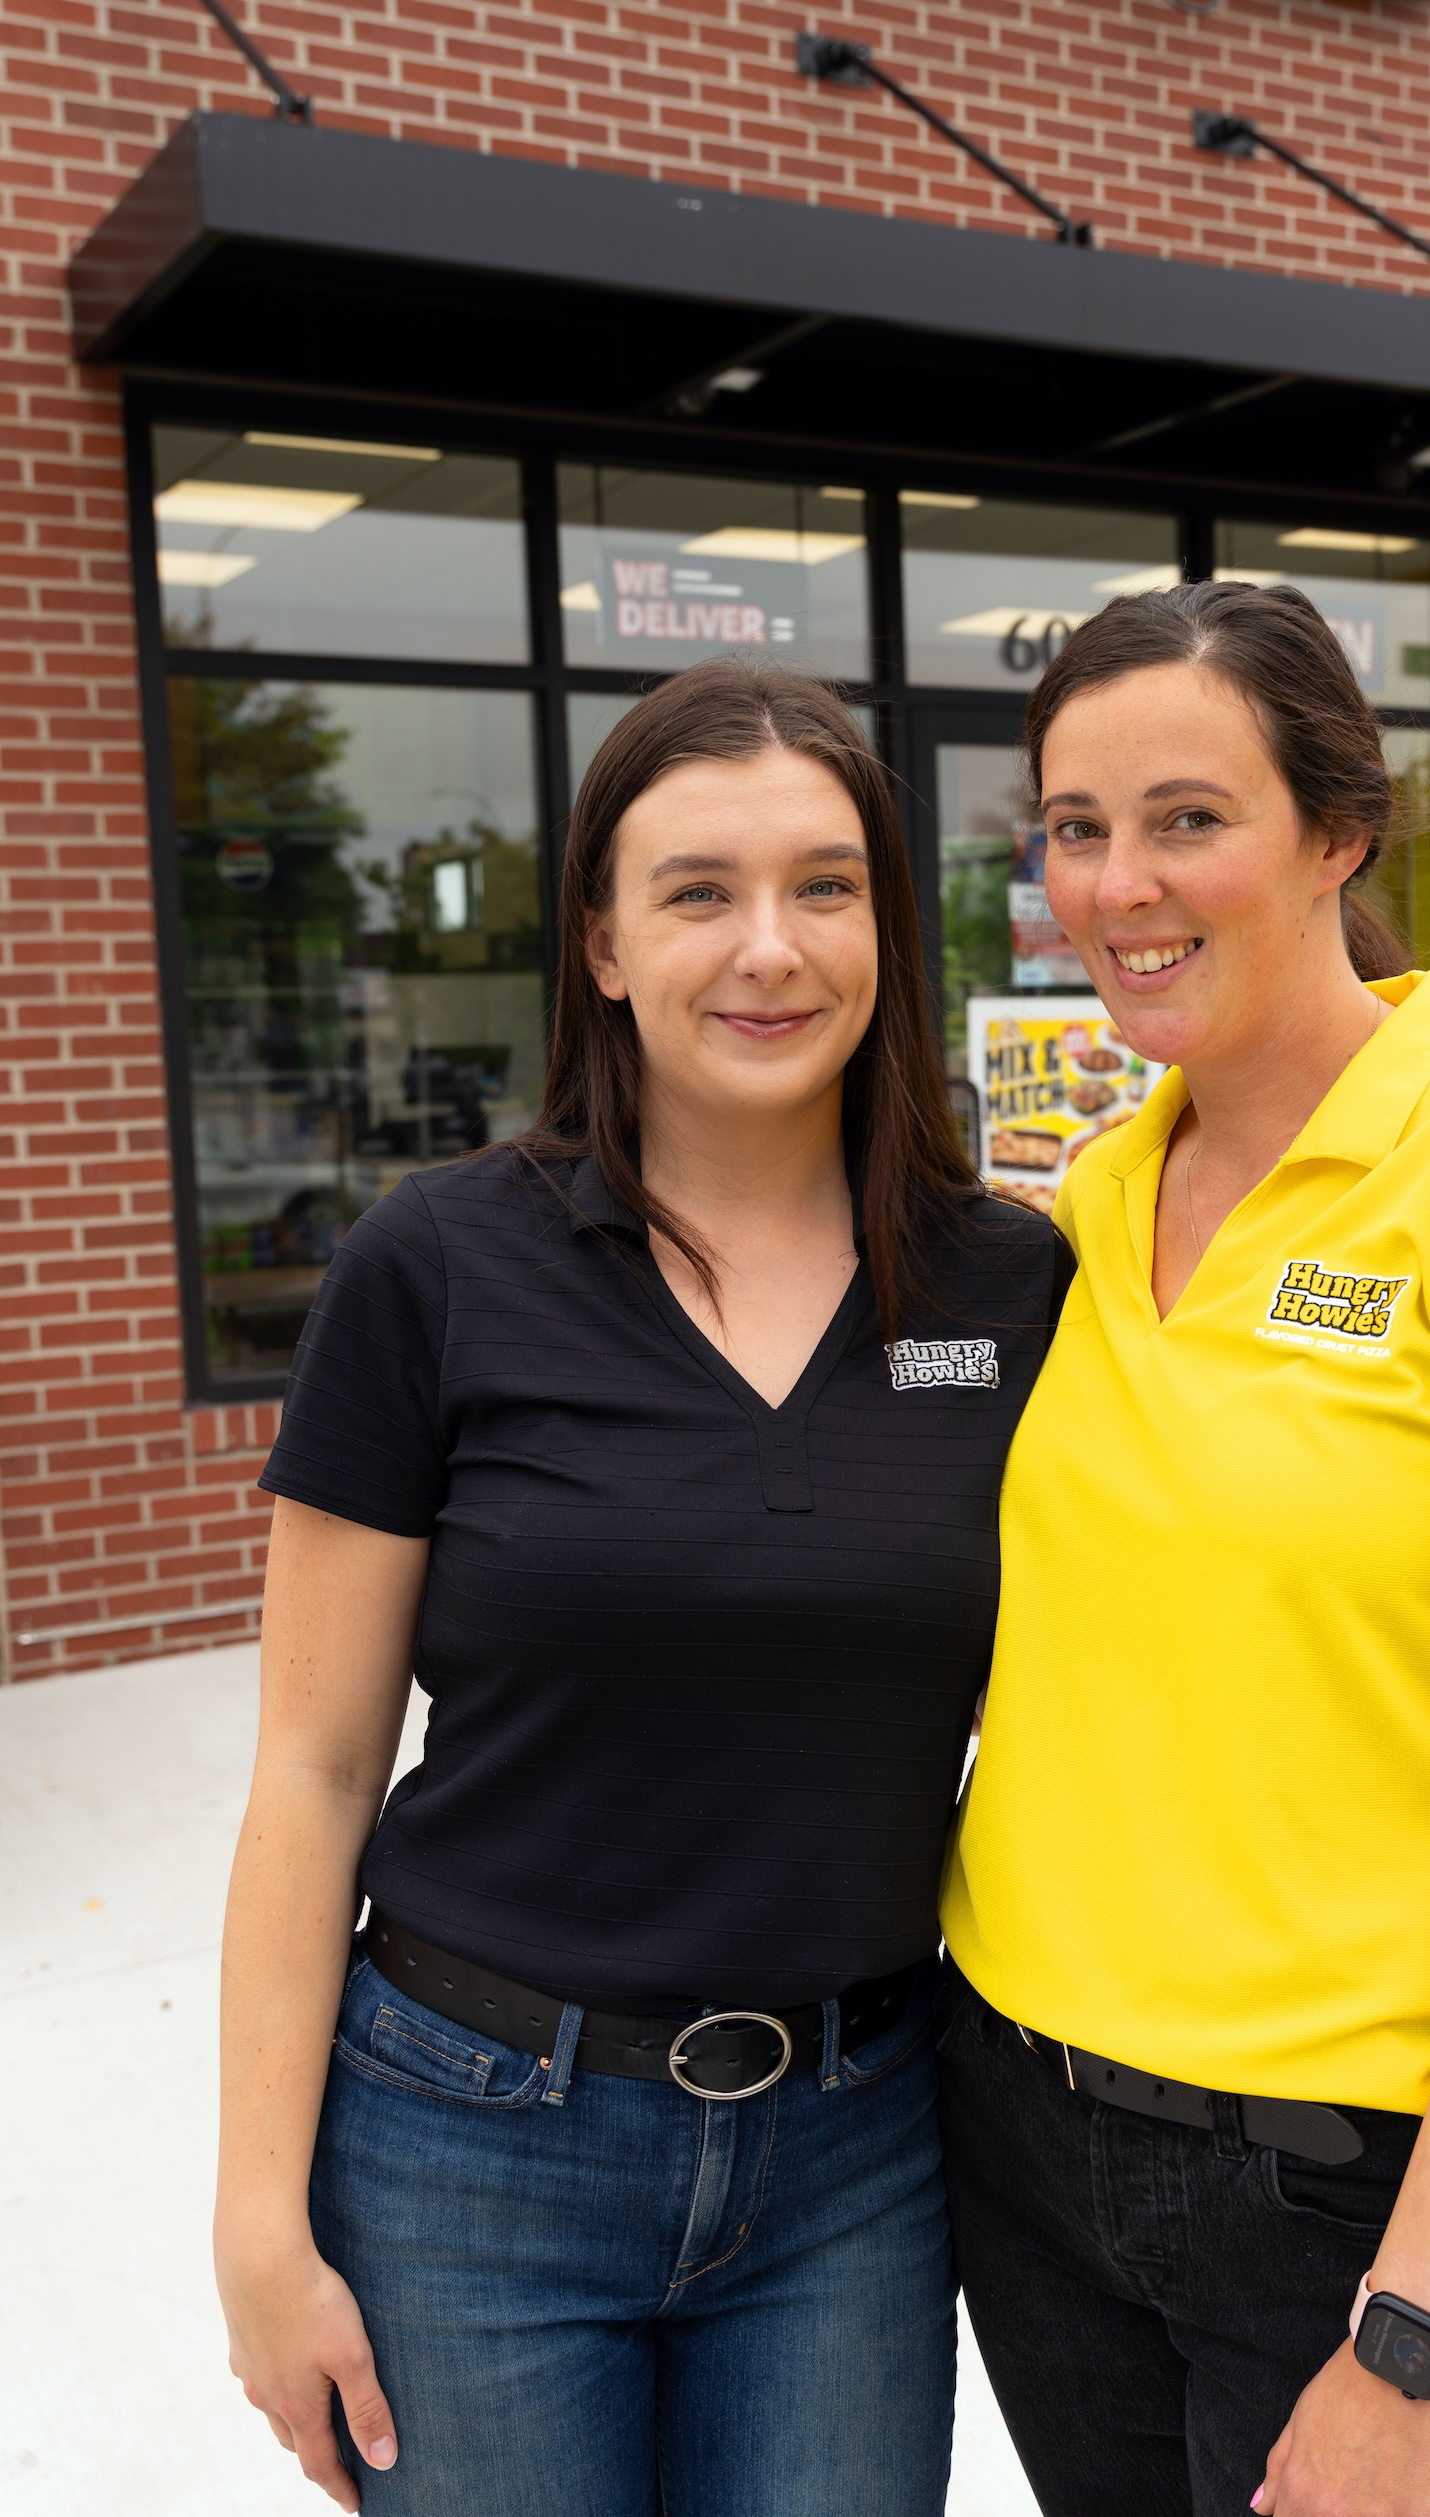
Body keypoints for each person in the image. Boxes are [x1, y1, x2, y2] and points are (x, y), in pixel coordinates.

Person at [213, 661, 1064, 2516]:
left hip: (858, 2150)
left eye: (826, 886)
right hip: (472, 2146)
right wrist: (256, 2225)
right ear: (600, 940)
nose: (771, 946)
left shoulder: (1007, 1286)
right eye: (698, 890)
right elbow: (312, 1771)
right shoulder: (432, 1269)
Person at [936, 580, 1430, 2517]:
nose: (1121, 883)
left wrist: (1423, 2321)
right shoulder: (1096, 1192)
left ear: (1339, 833)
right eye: (1078, 826)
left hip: (1356, 2182)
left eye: (1189, 817)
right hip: (1026, 2125)